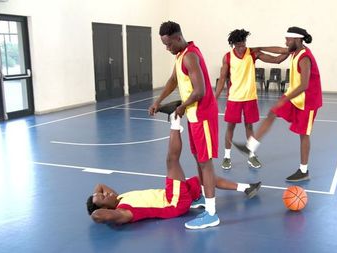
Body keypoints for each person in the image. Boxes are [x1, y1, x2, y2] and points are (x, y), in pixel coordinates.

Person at [87, 109, 261, 224]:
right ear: (105, 208)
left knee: (205, 179)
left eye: (103, 194)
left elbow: (100, 185)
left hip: (174, 195)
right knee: (172, 161)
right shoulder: (123, 212)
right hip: (173, 202)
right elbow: (98, 216)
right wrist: (96, 209)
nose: (106, 192)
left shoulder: (119, 198)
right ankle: (175, 119)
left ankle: (246, 188)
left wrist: (96, 197)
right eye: (103, 197)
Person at [148, 21, 221, 229]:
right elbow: (173, 80)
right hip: (195, 115)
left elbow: (200, 91)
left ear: (178, 38)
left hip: (203, 115)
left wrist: (182, 107)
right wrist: (158, 101)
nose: (167, 48)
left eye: (168, 44)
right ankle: (205, 199)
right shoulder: (180, 55)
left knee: (205, 162)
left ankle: (212, 213)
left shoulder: (190, 55)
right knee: (198, 157)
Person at [233, 26, 323, 182]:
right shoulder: (294, 50)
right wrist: (259, 49)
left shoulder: (305, 57)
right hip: (295, 95)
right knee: (272, 112)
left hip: (308, 100)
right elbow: (278, 53)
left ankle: (303, 170)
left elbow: (305, 84)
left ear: (297, 39)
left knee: (304, 135)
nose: (286, 42)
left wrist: (285, 99)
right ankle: (251, 147)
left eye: (288, 39)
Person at [215, 29, 289, 170]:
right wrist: (215, 97)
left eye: (243, 45)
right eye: (238, 46)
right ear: (233, 45)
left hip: (250, 97)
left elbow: (277, 60)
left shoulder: (253, 53)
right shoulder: (227, 57)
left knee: (249, 126)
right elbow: (222, 79)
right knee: (230, 127)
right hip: (234, 98)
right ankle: (226, 157)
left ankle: (251, 155)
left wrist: (290, 51)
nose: (242, 48)